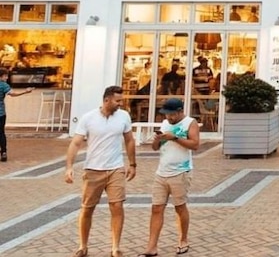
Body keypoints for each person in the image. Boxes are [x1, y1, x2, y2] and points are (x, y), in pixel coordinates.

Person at [64, 86, 137, 257]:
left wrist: (133, 164)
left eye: (121, 100)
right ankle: (83, 245)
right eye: (117, 101)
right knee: (87, 208)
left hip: (115, 168)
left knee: (117, 206)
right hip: (93, 169)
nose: (120, 104)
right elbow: (75, 143)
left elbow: (129, 141)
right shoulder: (88, 118)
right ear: (106, 100)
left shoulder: (124, 116)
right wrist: (69, 167)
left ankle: (115, 247)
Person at [138, 98, 200, 257]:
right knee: (156, 207)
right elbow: (155, 148)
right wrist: (157, 140)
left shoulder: (190, 123)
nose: (168, 118)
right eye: (166, 115)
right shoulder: (165, 124)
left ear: (180, 111)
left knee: (180, 207)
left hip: (181, 172)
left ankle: (183, 239)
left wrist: (175, 137)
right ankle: (151, 246)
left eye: (171, 115)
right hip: (162, 172)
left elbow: (195, 145)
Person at [0, 68, 35, 162]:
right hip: (1, 113)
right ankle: (3, 152)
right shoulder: (3, 85)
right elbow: (13, 94)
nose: (7, 78)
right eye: (5, 76)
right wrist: (25, 91)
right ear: (1, 76)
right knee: (1, 133)